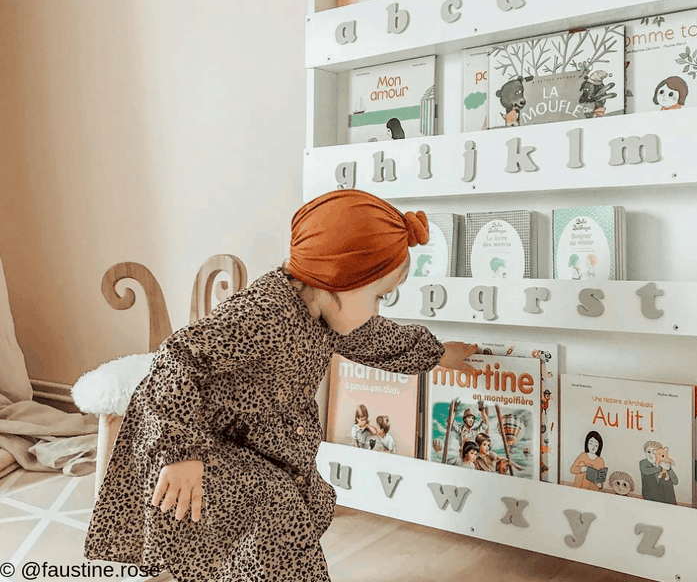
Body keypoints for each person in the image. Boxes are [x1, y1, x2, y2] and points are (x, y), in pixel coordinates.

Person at [83, 189, 476, 581]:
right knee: (277, 509)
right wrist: (181, 452)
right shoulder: (264, 313)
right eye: (378, 297)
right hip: (198, 439)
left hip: (257, 444)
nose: (377, 310)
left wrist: (438, 354)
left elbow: (374, 338)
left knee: (300, 508)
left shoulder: (325, 312)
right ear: (338, 282)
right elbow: (176, 359)